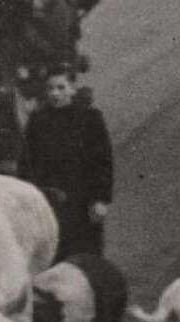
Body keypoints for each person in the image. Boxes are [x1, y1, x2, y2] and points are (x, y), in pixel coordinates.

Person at [18, 65, 116, 260]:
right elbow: (26, 163)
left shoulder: (90, 119)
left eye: (61, 88)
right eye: (50, 88)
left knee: (84, 256)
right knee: (52, 254)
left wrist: (101, 200)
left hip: (83, 202)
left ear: (72, 89)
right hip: (50, 201)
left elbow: (103, 161)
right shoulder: (37, 121)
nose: (55, 93)